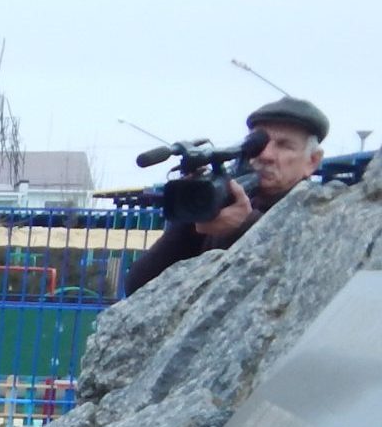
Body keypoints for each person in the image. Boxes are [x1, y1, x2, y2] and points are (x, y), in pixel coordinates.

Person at [124, 97, 329, 296]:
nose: (266, 155)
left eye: (284, 145)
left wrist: (243, 226)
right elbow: (139, 286)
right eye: (259, 143)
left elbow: (301, 274)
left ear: (312, 161)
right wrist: (194, 216)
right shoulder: (225, 204)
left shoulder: (325, 211)